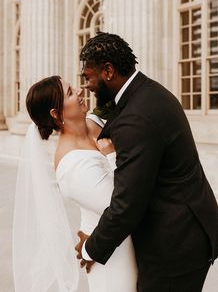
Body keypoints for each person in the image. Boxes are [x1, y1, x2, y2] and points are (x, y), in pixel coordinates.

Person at [76, 32, 218, 292]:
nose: (85, 86)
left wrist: (91, 248)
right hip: (194, 225)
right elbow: (112, 109)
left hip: (176, 246)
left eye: (87, 77)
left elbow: (127, 204)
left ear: (108, 71)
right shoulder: (146, 91)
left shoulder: (135, 118)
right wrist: (91, 118)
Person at [12, 75, 137, 292]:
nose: (79, 91)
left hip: (132, 243)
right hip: (114, 257)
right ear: (56, 113)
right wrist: (111, 156)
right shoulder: (72, 166)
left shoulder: (93, 122)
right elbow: (123, 203)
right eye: (70, 92)